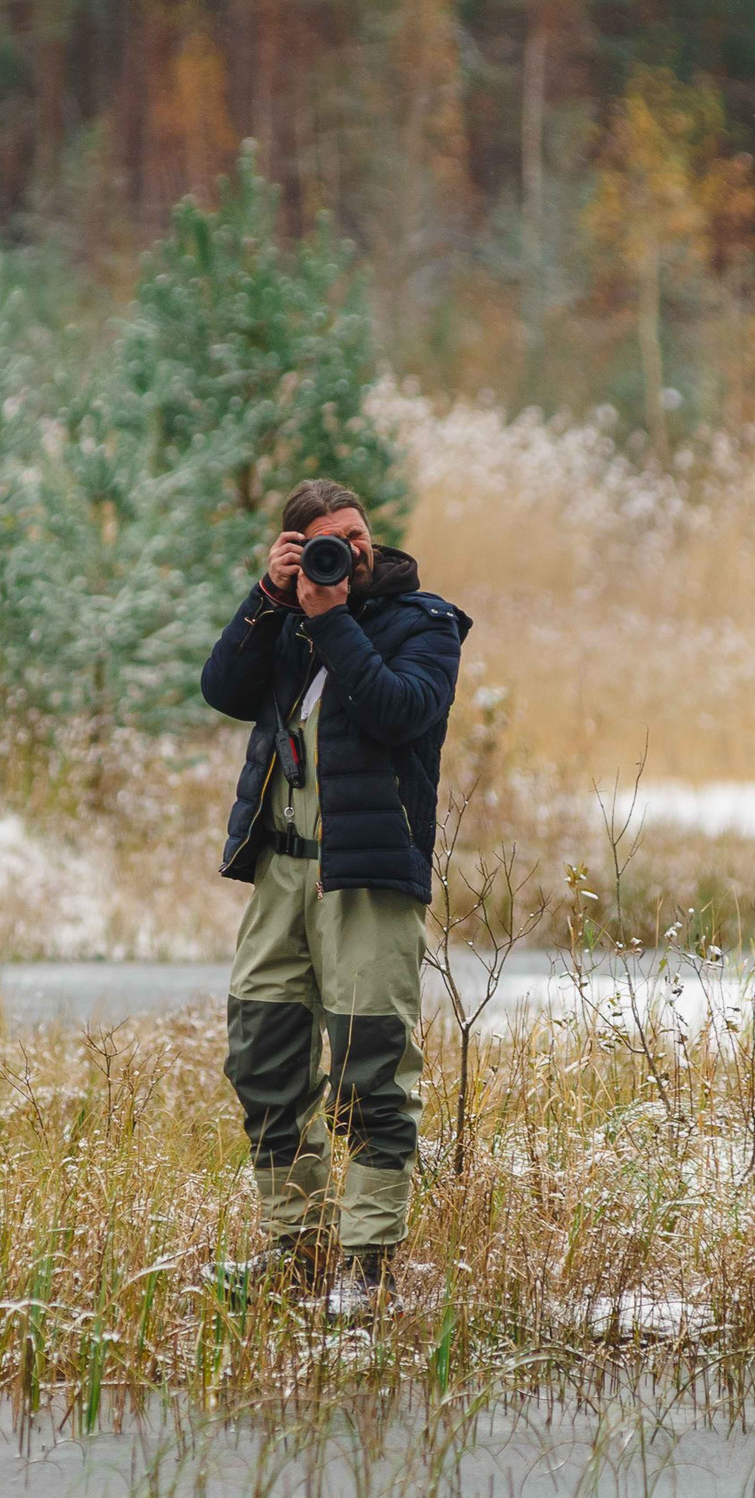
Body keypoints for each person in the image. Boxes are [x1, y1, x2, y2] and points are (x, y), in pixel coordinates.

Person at [198, 478, 471, 1316]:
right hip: (282, 874)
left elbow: (398, 710)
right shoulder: (285, 624)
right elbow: (223, 690)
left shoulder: (424, 623)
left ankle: (369, 1267)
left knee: (371, 1073)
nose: (343, 550)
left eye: (353, 534)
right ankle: (300, 1248)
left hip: (366, 878)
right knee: (263, 1056)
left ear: (371, 537)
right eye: (320, 540)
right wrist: (266, 599)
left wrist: (329, 616)